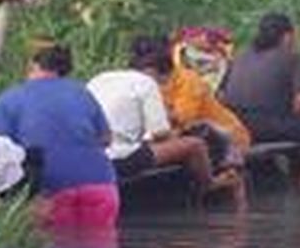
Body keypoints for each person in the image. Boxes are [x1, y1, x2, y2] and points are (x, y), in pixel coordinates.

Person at [0, 44, 119, 232]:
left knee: (54, 247)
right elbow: (106, 139)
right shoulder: (81, 92)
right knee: (99, 245)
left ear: (33, 66)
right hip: (99, 187)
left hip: (47, 194)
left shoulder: (9, 99)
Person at [221, 13, 300, 185]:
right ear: (287, 36)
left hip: (233, 123)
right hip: (267, 125)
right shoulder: (292, 58)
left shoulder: (240, 56)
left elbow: (222, 94)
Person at [88, 36, 215, 190]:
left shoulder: (100, 78)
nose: (162, 87)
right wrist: (176, 135)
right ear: (160, 74)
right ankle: (210, 186)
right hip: (117, 158)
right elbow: (160, 134)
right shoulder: (147, 83)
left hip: (86, 154)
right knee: (195, 145)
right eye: (164, 82)